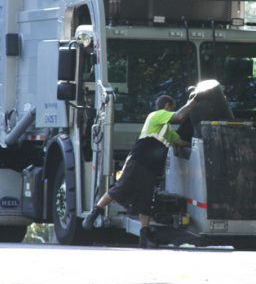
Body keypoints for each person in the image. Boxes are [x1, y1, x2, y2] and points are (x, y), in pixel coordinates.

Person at [82, 94, 198, 248]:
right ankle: (93, 214)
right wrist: (193, 102)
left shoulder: (166, 129)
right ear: (167, 106)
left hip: (150, 167)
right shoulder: (156, 115)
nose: (172, 111)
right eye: (172, 108)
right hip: (139, 160)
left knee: (145, 201)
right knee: (121, 188)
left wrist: (196, 145)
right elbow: (180, 116)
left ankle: (144, 236)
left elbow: (179, 142)